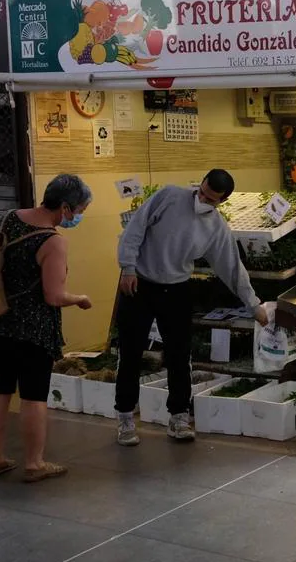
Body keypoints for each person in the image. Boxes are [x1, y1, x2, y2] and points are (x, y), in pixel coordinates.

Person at [114, 169, 269, 445]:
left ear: (221, 201)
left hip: (176, 289)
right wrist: (127, 266)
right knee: (130, 352)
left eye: (210, 200)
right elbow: (135, 228)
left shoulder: (216, 228)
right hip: (139, 283)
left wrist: (253, 304)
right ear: (200, 184)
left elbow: (232, 268)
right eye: (202, 192)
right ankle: (125, 417)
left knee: (179, 354)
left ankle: (179, 417)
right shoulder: (169, 197)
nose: (202, 200)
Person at [0, 174, 93, 483]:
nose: (78, 216)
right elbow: (53, 296)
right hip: (32, 329)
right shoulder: (52, 241)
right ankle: (34, 463)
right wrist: (80, 299)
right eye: (79, 210)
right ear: (65, 208)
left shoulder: (9, 217)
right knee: (33, 396)